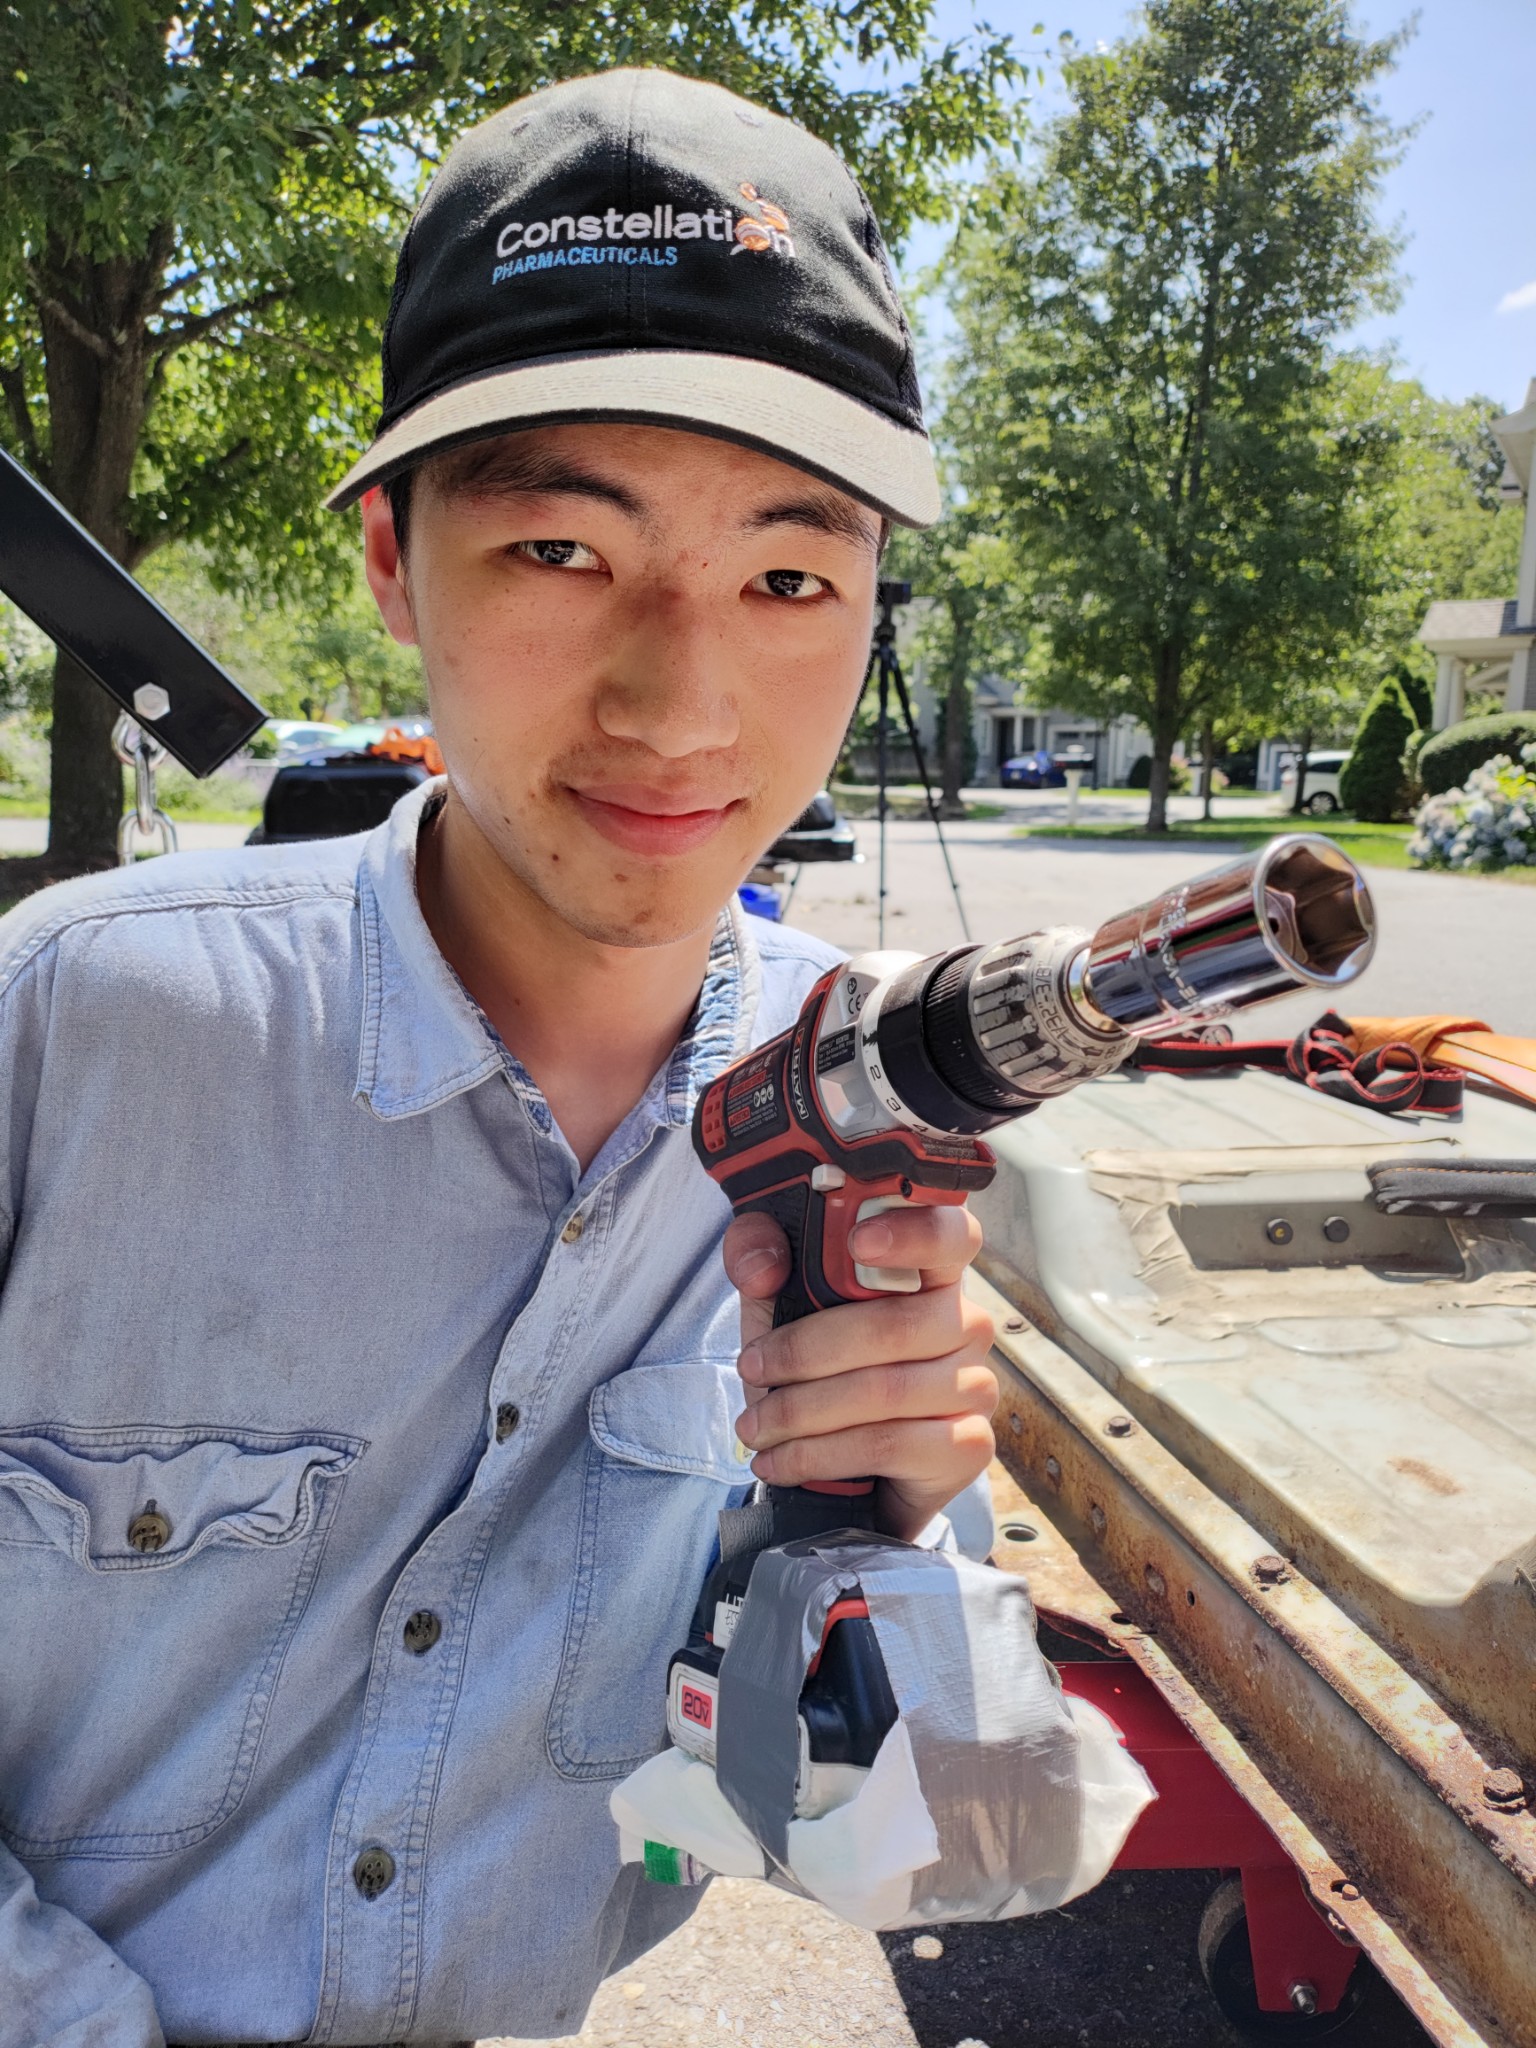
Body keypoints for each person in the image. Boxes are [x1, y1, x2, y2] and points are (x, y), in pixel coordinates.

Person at [0, 68, 998, 2047]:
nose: (682, 699)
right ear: (392, 560)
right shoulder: (71, 1030)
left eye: (789, 578)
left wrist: (878, 1544)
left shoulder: (869, 1125)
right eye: (561, 549)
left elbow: (895, 1852)